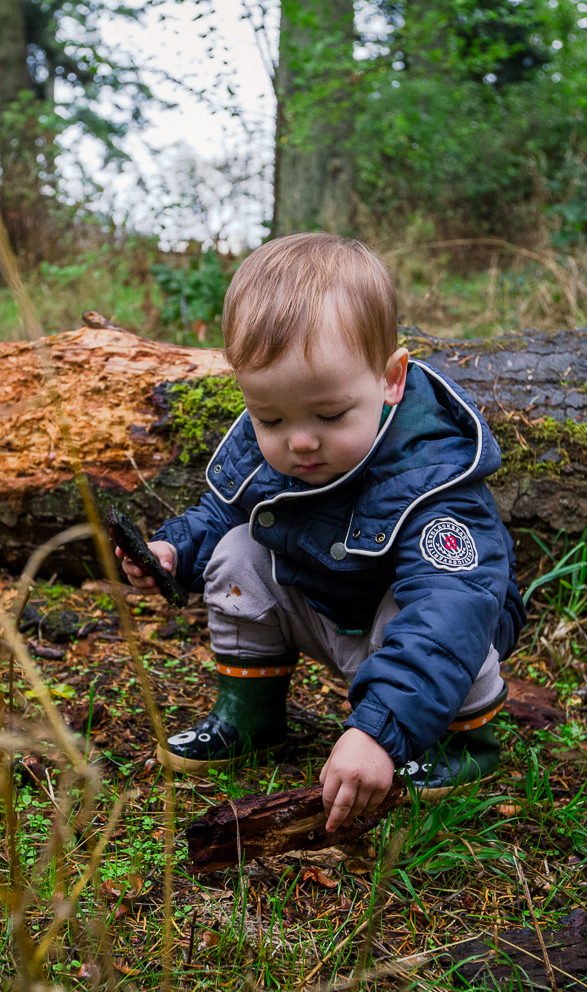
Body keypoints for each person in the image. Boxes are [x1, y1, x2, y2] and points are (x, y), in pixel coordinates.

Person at [119, 233, 525, 832]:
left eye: (330, 416)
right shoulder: (285, 450)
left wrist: (375, 734)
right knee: (236, 551)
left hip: (417, 637)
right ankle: (250, 715)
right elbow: (228, 512)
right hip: (330, 613)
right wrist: (174, 549)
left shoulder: (434, 479)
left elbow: (450, 612)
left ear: (390, 379)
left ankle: (458, 745)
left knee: (451, 618)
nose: (299, 441)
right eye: (270, 418)